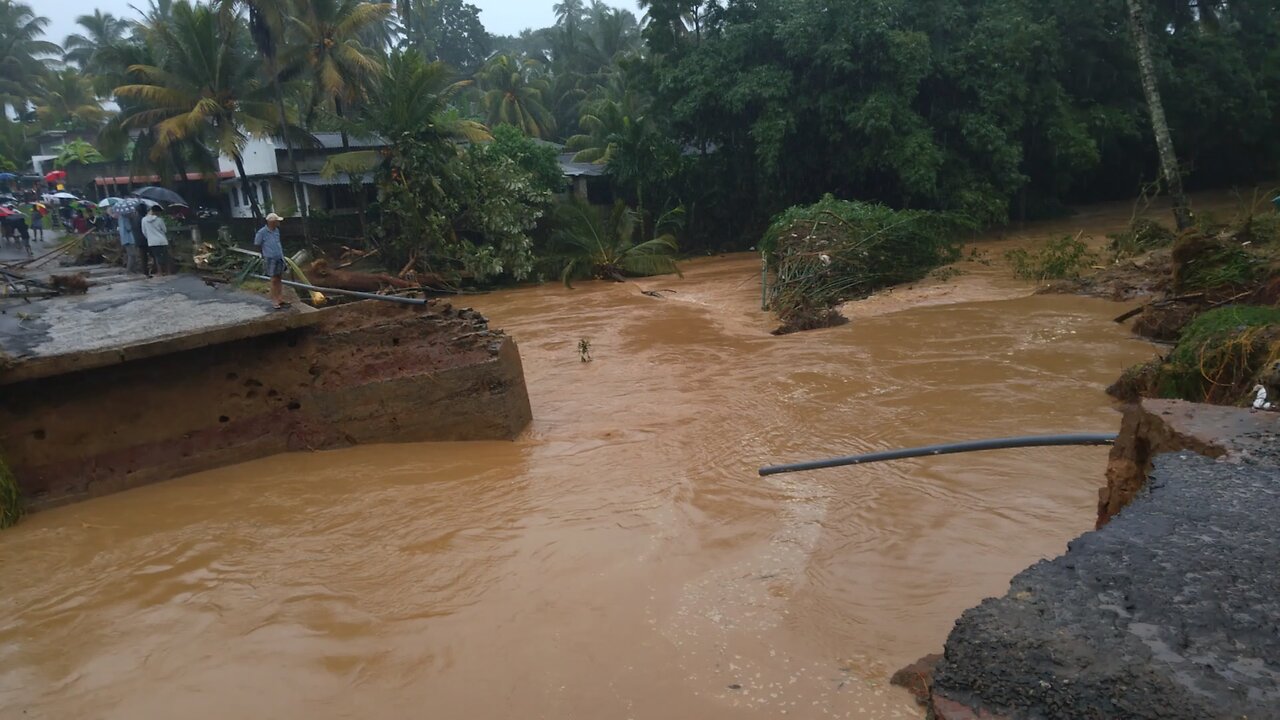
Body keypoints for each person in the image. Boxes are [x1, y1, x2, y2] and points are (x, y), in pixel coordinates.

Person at [254, 212, 288, 309]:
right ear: (272, 222)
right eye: (277, 221)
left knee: (279, 278)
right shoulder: (262, 232)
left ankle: (280, 298)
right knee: (273, 280)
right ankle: (274, 300)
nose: (278, 223)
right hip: (270, 258)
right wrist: (264, 254)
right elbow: (257, 244)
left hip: (279, 257)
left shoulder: (276, 230)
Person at [141, 205, 171, 275]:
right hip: (162, 240)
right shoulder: (159, 220)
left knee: (156, 257)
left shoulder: (144, 220)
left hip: (152, 241)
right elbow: (165, 230)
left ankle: (160, 272)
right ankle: (168, 271)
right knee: (165, 256)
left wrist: (149, 237)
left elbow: (144, 231)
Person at [114, 207, 140, 273]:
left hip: (125, 239)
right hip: (129, 239)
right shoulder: (125, 218)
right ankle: (129, 270)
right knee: (132, 255)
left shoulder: (120, 218)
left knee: (131, 254)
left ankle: (132, 269)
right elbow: (128, 228)